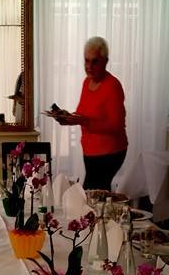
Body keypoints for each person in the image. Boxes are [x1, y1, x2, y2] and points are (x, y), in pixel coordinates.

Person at [53, 36, 128, 190]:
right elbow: (82, 114)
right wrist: (66, 117)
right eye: (86, 61)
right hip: (90, 151)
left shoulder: (112, 86)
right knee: (93, 194)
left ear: (105, 62)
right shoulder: (87, 82)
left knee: (91, 194)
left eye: (95, 61)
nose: (89, 66)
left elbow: (116, 125)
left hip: (110, 152)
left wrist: (84, 121)